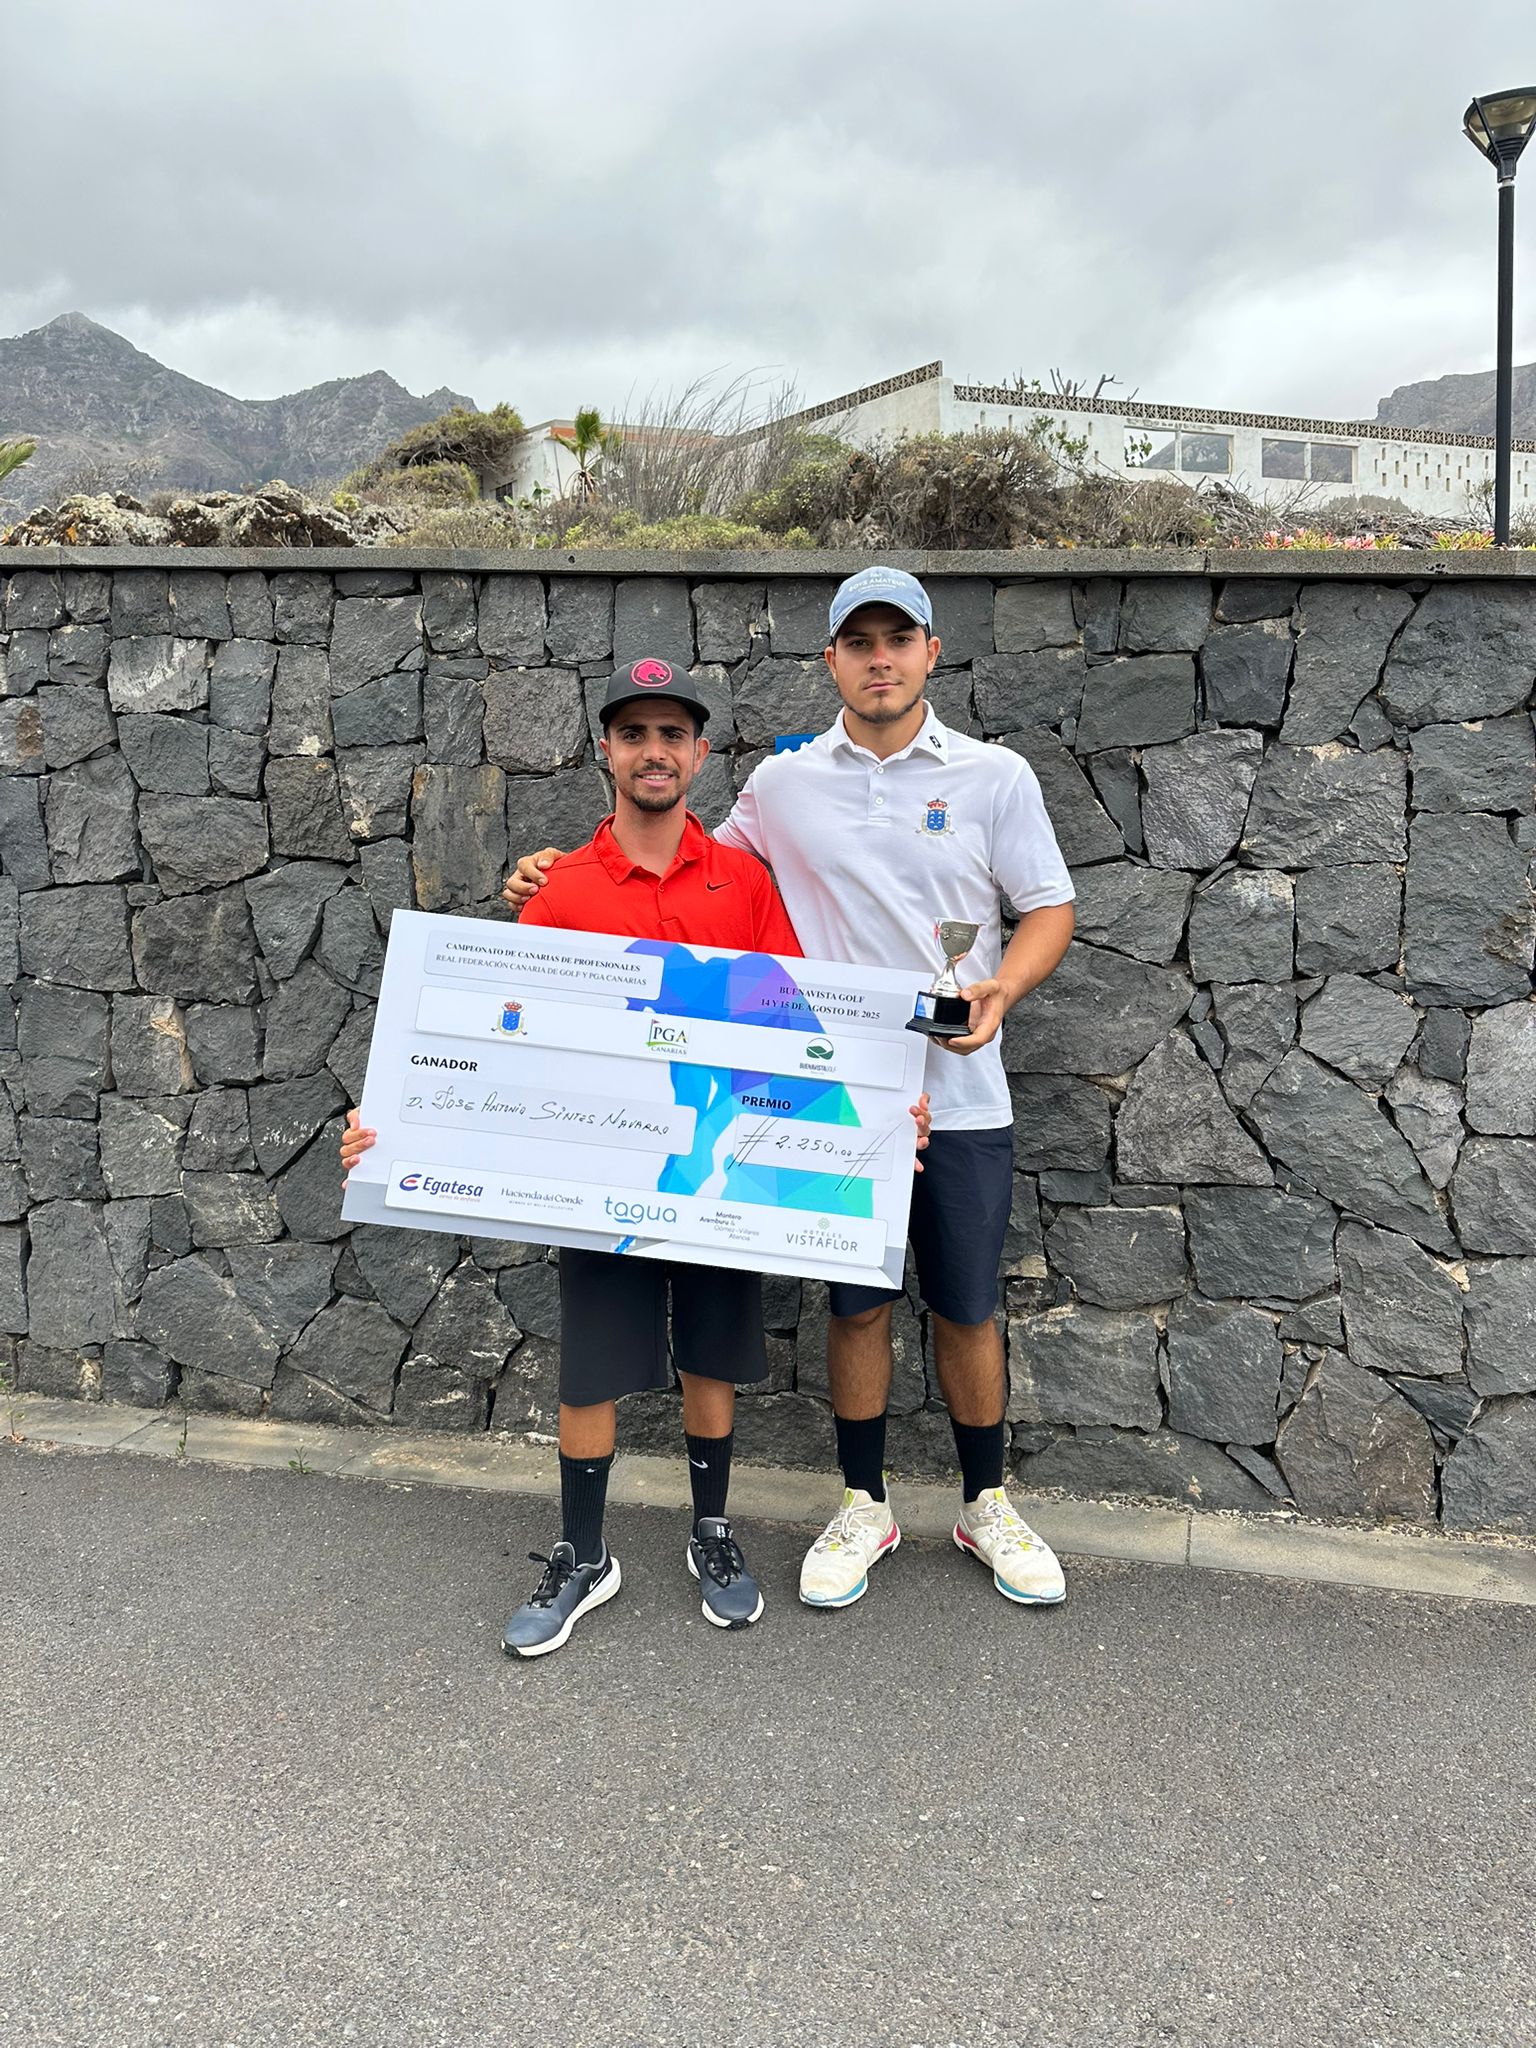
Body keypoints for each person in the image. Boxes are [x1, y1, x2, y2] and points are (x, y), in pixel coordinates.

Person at [506, 567, 1077, 1612]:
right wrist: (559, 875)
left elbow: (1048, 908)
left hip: (962, 1093)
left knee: (968, 1306)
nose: (879, 658)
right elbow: (684, 884)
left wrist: (1007, 982)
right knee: (858, 1308)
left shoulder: (997, 777)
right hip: (838, 1107)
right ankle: (865, 1501)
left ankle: (986, 1499)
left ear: (930, 650)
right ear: (832, 661)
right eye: (858, 642)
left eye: (897, 638)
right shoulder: (782, 785)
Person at [342, 655, 928, 1657]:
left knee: (710, 1356)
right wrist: (396, 1123)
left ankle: (712, 1532)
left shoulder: (745, 883)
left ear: (698, 753)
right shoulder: (563, 888)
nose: (654, 751)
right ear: (605, 749)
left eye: (673, 734)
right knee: (591, 1368)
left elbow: (795, 1028)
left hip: (713, 1175)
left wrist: (875, 1118)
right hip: (600, 1180)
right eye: (635, 733)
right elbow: (503, 1044)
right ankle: (583, 1551)